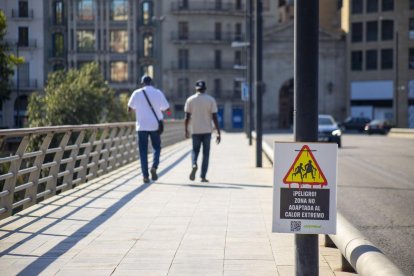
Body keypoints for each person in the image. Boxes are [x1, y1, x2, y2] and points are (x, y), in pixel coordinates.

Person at [128, 75, 170, 183]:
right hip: (155, 125)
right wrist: (161, 110)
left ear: (142, 83)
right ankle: (154, 167)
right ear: (151, 82)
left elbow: (129, 108)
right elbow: (167, 108)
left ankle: (145, 176)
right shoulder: (158, 92)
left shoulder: (136, 93)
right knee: (157, 147)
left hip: (141, 126)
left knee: (143, 151)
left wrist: (140, 110)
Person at [184, 80, 221, 182]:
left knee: (195, 150)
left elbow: (186, 117)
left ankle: (194, 163)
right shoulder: (210, 100)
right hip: (207, 131)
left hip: (195, 130)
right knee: (206, 154)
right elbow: (214, 117)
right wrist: (218, 132)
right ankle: (203, 176)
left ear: (196, 88)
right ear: (205, 89)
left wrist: (186, 130)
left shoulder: (190, 100)